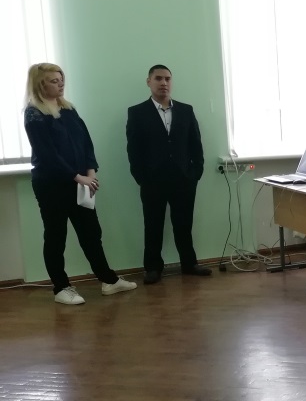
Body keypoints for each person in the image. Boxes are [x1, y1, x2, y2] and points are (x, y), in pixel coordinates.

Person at [23, 63, 137, 305]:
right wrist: (77, 177)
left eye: (61, 79)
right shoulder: (34, 114)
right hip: (52, 185)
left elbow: (85, 142)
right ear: (40, 84)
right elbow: (48, 154)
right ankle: (61, 288)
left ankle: (109, 280)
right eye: (54, 80)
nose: (61, 84)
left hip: (81, 181)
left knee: (91, 233)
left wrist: (90, 172)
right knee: (56, 236)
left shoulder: (69, 109)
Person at [126, 65, 209, 284]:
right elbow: (133, 150)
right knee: (153, 225)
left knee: (184, 225)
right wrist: (141, 178)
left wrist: (196, 172)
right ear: (149, 81)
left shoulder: (186, 110)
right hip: (152, 180)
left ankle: (189, 264)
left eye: (167, 79)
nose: (164, 83)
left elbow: (195, 144)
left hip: (184, 179)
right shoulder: (137, 112)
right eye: (158, 78)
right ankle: (153, 268)